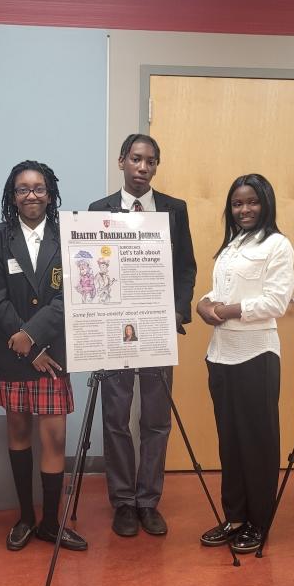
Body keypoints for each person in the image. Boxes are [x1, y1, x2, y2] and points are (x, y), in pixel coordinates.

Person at [88, 134, 196, 538]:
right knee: (115, 417)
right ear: (122, 161)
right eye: (136, 159)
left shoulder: (174, 210)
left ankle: (149, 501)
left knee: (155, 418)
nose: (143, 167)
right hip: (113, 329)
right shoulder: (98, 210)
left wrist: (179, 311)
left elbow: (186, 267)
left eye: (151, 161)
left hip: (157, 329)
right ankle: (123, 503)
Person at [0, 161, 87, 552]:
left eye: (39, 188)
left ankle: (50, 523)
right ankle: (25, 517)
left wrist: (35, 338)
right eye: (23, 189)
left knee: (54, 437)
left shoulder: (68, 236)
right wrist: (23, 339)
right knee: (19, 432)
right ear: (13, 195)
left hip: (52, 355)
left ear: (51, 193)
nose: (31, 195)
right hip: (11, 354)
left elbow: (70, 295)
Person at [196, 174, 294, 554]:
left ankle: (258, 522)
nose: (244, 209)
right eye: (237, 203)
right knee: (230, 444)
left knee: (258, 444)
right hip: (220, 355)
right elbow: (219, 292)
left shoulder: (277, 245)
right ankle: (234, 517)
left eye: (252, 201)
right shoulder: (232, 245)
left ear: (265, 203)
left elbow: (275, 302)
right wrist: (204, 304)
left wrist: (225, 310)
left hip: (257, 356)